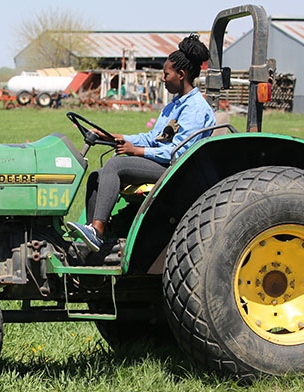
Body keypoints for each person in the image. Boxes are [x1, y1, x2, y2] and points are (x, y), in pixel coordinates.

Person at [67, 34, 215, 252]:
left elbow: (180, 152)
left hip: (177, 170)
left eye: (166, 74)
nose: (163, 79)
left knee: (116, 165)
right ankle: (93, 239)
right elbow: (153, 138)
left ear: (181, 75)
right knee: (96, 177)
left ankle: (97, 232)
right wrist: (115, 137)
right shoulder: (174, 105)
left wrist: (136, 151)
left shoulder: (194, 108)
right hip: (164, 164)